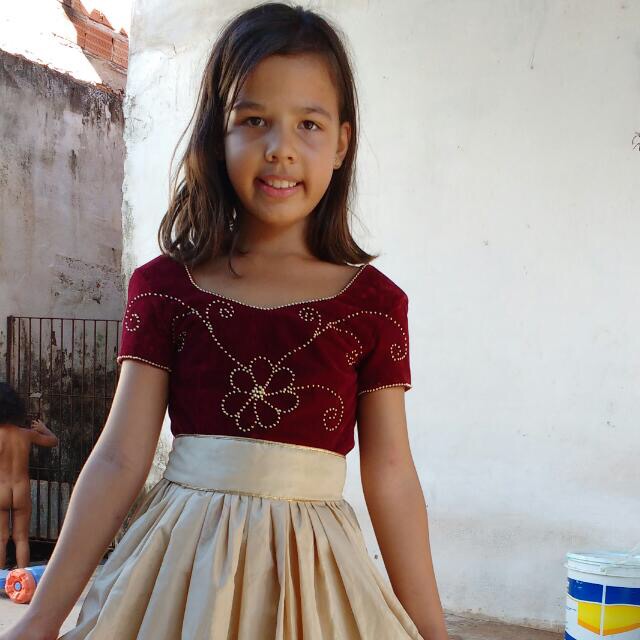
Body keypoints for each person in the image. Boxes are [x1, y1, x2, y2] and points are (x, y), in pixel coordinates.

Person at [1, 3, 448, 639]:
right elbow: (120, 457)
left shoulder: (374, 305)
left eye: (309, 124)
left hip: (317, 581)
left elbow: (392, 476)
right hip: (176, 582)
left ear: (342, 143)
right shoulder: (165, 289)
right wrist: (42, 619)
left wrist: (432, 631)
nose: (281, 148)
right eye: (254, 120)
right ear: (218, 135)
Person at [0, 382, 58, 570]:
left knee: (1, 538)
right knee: (21, 538)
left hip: (1, 490)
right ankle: (23, 578)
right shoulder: (26, 434)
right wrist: (43, 428)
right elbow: (53, 441)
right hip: (21, 490)